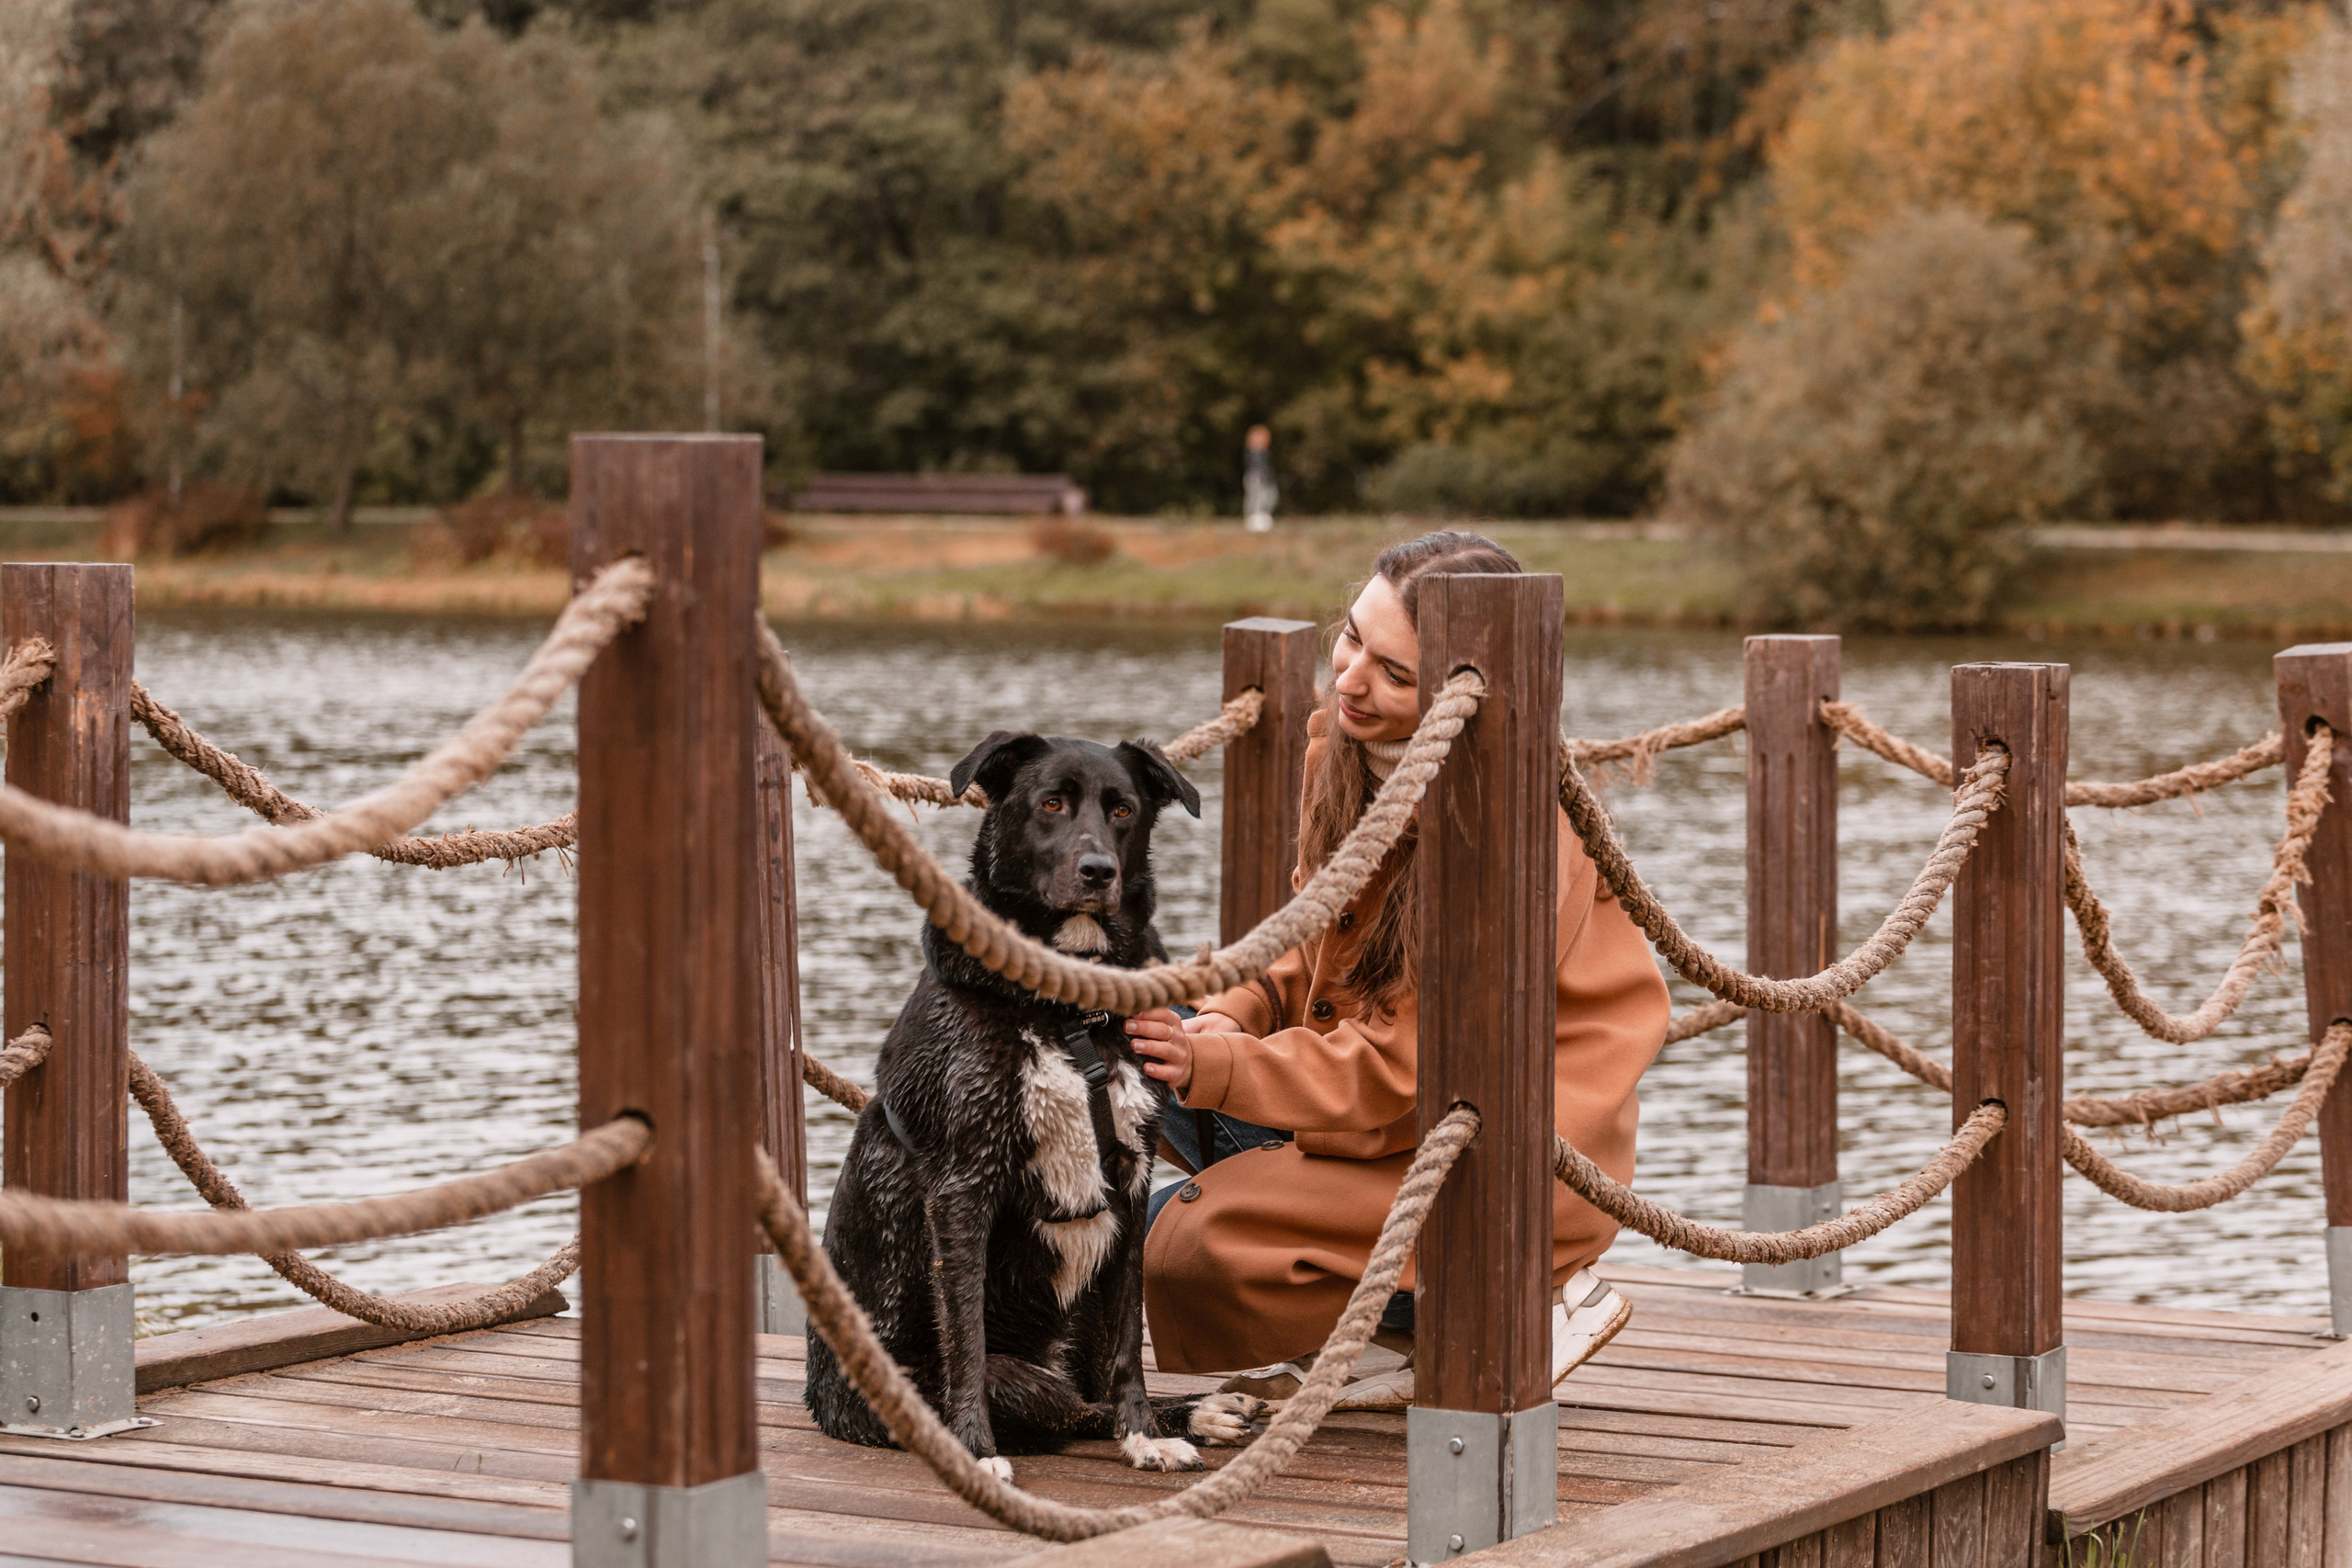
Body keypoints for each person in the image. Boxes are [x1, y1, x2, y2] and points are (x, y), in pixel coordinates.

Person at [1124, 530, 1669, 1409]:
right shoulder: (1346, 758)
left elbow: (1407, 1066)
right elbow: (1309, 938)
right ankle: (1386, 1328)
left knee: (1172, 1237)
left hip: (1505, 1156)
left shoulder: (1505, 830)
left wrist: (1215, 1069)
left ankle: (1514, 1299)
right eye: (1350, 638)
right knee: (1135, 1078)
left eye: (1394, 672)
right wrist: (1226, 1018)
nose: (1348, 679)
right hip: (1397, 1117)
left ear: (1463, 694)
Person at [1242, 425, 1277, 533]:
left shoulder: (1265, 453)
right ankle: (1254, 519)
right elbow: (1255, 467)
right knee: (1256, 498)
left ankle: (1263, 516)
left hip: (1266, 478)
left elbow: (1266, 467)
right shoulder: (1252, 453)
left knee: (1270, 496)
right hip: (1255, 478)